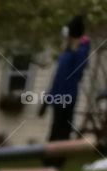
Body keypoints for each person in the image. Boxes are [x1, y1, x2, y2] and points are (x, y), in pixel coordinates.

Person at [42, 15, 91, 148]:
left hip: (67, 97)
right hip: (58, 96)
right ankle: (50, 158)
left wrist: (78, 46)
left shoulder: (79, 52)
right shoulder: (67, 53)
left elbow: (78, 72)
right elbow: (58, 78)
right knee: (55, 127)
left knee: (62, 129)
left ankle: (58, 159)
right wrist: (48, 98)